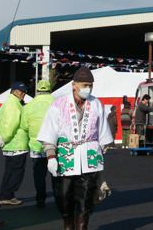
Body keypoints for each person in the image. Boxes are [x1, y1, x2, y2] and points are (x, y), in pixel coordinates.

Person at [37, 66, 113, 230]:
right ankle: (68, 226)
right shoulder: (59, 103)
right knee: (63, 197)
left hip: (88, 158)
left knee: (85, 199)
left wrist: (99, 156)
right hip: (65, 158)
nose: (88, 88)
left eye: (90, 85)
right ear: (74, 84)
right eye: (85, 85)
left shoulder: (96, 104)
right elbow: (49, 132)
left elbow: (103, 134)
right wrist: (51, 157)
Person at [22, 79, 55, 208]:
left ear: (36, 91)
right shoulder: (55, 103)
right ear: (50, 91)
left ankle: (40, 198)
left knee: (39, 176)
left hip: (36, 146)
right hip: (53, 145)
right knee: (55, 173)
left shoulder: (29, 105)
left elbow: (24, 126)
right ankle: (58, 197)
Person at [0, 81, 30, 206]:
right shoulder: (14, 105)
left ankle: (5, 195)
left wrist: (1, 137)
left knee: (9, 171)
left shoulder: (8, 103)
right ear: (14, 91)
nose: (24, 93)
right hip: (16, 143)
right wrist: (4, 137)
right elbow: (11, 124)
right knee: (16, 172)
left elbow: (1, 123)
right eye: (21, 91)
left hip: (10, 143)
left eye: (25, 91)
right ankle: (7, 195)